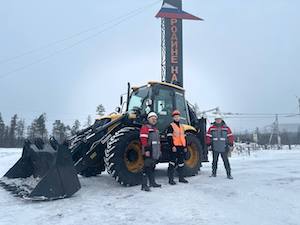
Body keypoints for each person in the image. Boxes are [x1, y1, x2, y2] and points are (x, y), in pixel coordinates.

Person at [206, 114, 234, 179]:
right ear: (215, 120)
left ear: (221, 120)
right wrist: (208, 144)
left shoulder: (226, 128)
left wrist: (231, 145)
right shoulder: (211, 128)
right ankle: (213, 173)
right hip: (215, 147)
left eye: (219, 119)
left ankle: (229, 174)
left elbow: (230, 136)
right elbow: (208, 137)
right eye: (216, 119)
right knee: (214, 161)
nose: (218, 120)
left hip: (224, 147)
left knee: (226, 161)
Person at [140, 112, 162, 191]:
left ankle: (152, 183)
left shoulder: (155, 129)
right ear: (148, 119)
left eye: (155, 119)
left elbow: (158, 142)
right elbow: (143, 139)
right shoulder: (145, 127)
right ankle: (144, 185)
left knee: (152, 167)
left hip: (154, 152)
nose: (154, 120)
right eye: (152, 119)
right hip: (148, 151)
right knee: (146, 168)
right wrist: (146, 150)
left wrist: (159, 151)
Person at [166, 110, 189, 185]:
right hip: (175, 147)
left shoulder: (182, 127)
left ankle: (181, 178)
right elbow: (169, 138)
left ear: (180, 117)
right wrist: (172, 146)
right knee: (172, 162)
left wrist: (185, 146)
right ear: (173, 118)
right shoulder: (171, 126)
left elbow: (184, 137)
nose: (177, 118)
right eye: (175, 117)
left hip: (181, 147)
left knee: (181, 163)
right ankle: (170, 179)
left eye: (178, 117)